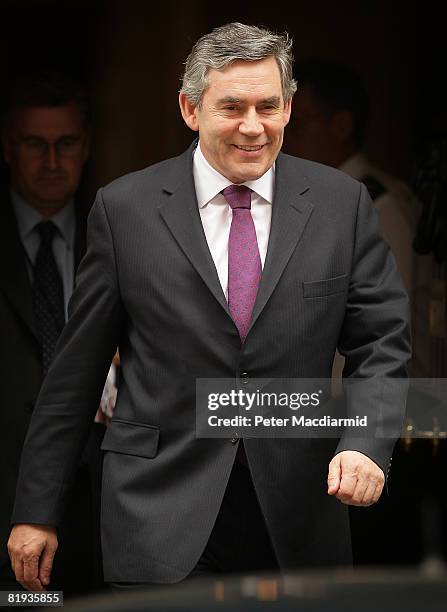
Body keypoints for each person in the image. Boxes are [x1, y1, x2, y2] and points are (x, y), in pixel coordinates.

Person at [8, 23, 410, 590]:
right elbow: (75, 372)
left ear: (289, 107)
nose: (253, 126)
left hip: (297, 513)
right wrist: (36, 510)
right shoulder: (124, 209)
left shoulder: (342, 205)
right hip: (158, 511)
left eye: (269, 105)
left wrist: (367, 444)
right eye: (232, 108)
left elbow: (383, 342)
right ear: (190, 109)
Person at [0, 70, 108, 593]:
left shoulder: (119, 234)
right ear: (7, 148)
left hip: (100, 499)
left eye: (64, 144)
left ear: (85, 147)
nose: (50, 162)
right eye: (34, 145)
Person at [284, 57, 416, 295]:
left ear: (341, 126)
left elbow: (389, 319)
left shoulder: (379, 208)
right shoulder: (317, 196)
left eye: (296, 125)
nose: (283, 139)